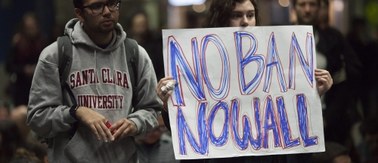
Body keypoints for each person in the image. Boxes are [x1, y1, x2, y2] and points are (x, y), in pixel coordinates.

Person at [157, 0, 333, 162]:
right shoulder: (199, 63)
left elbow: (290, 119)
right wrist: (169, 104)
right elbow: (189, 131)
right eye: (236, 15)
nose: (245, 21)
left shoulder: (275, 57)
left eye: (250, 15)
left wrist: (311, 95)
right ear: (221, 19)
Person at [26, 0, 161, 162]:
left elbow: (153, 110)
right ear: (79, 13)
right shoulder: (56, 55)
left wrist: (136, 123)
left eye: (112, 3)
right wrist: (76, 112)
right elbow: (37, 118)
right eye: (96, 6)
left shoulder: (135, 54)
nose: (107, 12)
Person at [292, 0, 362, 146]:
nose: (307, 10)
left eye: (312, 4)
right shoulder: (281, 36)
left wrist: (327, 119)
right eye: (302, 4)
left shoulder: (333, 38)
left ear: (319, 8)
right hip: (291, 121)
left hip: (328, 122)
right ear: (294, 7)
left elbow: (344, 85)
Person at [6, 12, 47, 106]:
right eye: (28, 27)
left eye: (33, 27)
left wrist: (36, 68)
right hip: (21, 86)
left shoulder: (43, 42)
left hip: (40, 86)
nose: (30, 30)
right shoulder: (18, 43)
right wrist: (24, 70)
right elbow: (9, 66)